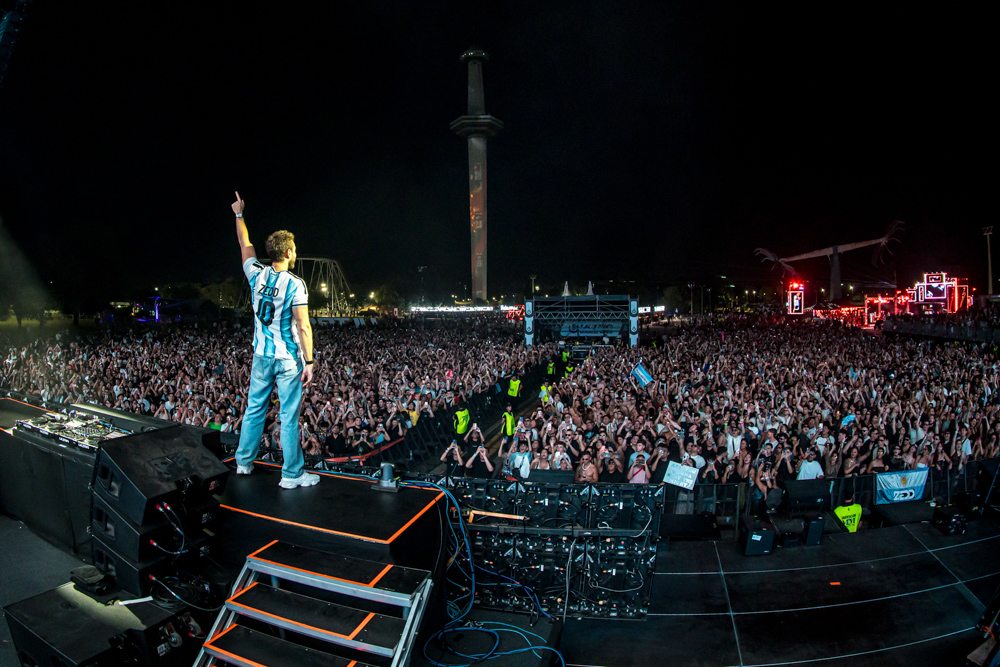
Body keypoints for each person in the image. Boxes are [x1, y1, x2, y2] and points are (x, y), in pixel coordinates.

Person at [231, 192, 319, 490]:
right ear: (289, 252)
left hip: (261, 355)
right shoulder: (295, 284)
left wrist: (239, 214)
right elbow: (303, 326)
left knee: (254, 409)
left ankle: (243, 462)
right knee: (289, 417)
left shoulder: (255, 274)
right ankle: (292, 475)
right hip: (287, 359)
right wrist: (309, 361)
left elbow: (244, 243)